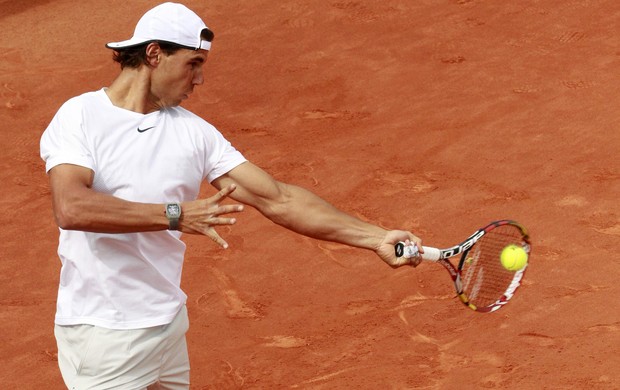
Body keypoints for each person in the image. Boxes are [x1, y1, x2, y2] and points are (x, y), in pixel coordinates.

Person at [40, 2, 423, 389]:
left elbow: (278, 199)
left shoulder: (195, 133)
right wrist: (175, 215)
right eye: (194, 63)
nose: (200, 79)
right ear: (155, 54)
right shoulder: (81, 116)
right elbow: (71, 207)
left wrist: (375, 238)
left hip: (167, 324)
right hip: (105, 334)